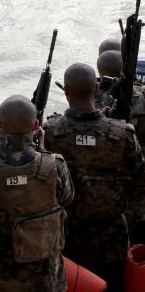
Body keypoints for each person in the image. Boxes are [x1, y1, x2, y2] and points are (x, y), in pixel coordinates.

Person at [0, 95, 74, 292]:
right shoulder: (55, 165)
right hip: (44, 276)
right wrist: (42, 151)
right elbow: (67, 198)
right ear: (36, 125)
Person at [43, 63, 145, 292]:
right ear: (97, 86)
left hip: (67, 237)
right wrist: (136, 223)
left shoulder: (50, 133)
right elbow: (140, 183)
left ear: (66, 91)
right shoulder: (123, 134)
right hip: (112, 238)